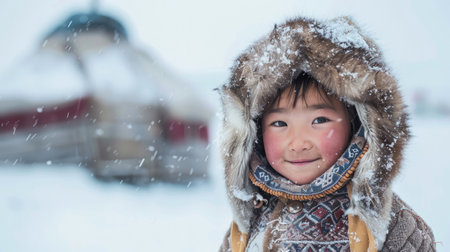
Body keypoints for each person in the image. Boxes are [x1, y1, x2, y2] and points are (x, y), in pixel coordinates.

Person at [218, 16, 435, 251]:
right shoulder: (247, 226)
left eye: (319, 120)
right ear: (254, 133)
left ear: (358, 124)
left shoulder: (392, 226)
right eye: (280, 123)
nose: (298, 143)